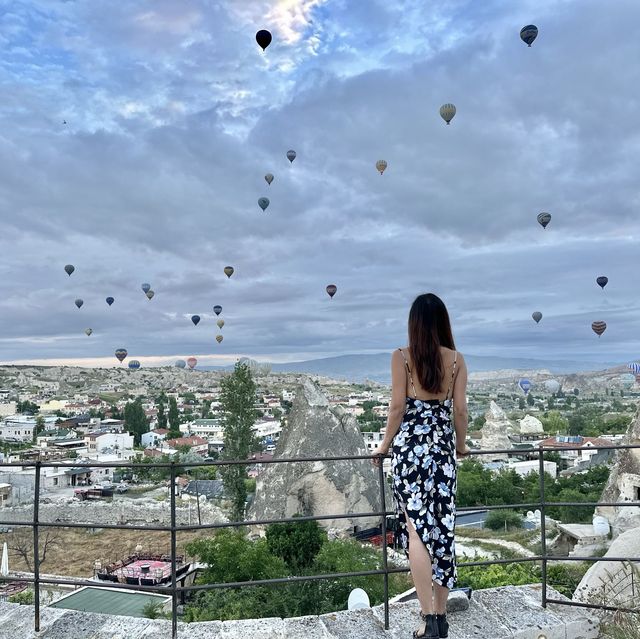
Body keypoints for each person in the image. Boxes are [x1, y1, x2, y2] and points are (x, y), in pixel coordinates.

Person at [372, 293, 469, 639]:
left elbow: (397, 409)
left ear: (413, 324)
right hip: (442, 454)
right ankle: (441, 617)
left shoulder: (401, 357)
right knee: (442, 531)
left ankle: (427, 617)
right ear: (443, 322)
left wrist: (383, 446)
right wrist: (460, 445)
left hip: (410, 453)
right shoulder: (457, 360)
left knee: (417, 531)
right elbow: (460, 412)